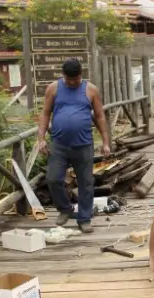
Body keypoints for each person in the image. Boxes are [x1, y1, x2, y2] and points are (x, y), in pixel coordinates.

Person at [37, 58, 111, 234]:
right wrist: (41, 138)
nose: (72, 83)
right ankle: (65, 209)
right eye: (69, 80)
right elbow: (45, 114)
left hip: (84, 144)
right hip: (59, 144)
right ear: (63, 76)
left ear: (81, 75)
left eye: (75, 79)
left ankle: (84, 219)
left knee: (85, 182)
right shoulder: (53, 89)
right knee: (53, 178)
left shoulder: (91, 90)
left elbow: (100, 116)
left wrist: (106, 142)